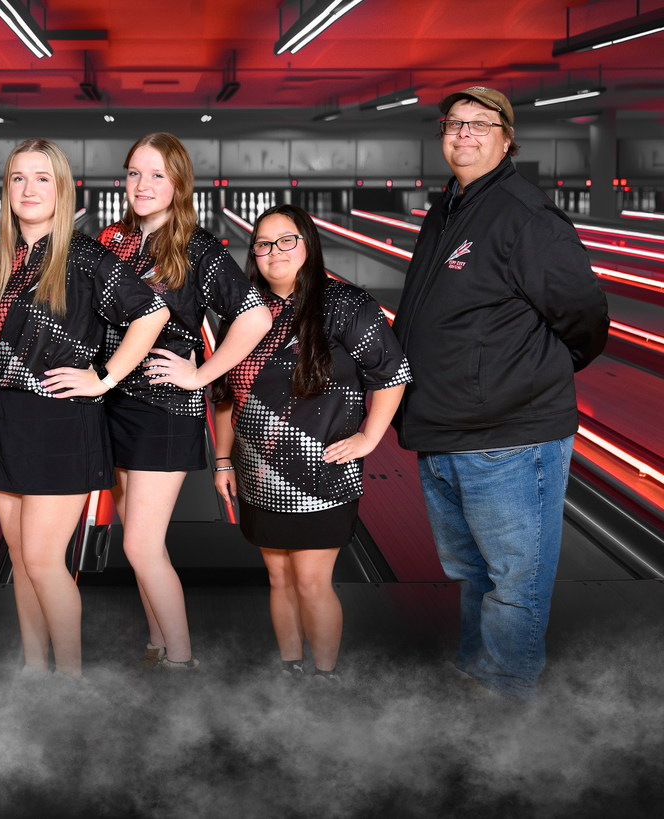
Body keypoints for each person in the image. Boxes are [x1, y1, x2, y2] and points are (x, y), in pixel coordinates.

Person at [392, 86, 610, 703]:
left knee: (515, 582)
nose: (464, 133)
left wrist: (522, 375)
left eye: (481, 124)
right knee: (472, 574)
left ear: (507, 139)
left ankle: (508, 701)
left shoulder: (524, 214)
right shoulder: (449, 208)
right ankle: (477, 681)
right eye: (454, 123)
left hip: (508, 438)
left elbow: (586, 318)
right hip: (444, 432)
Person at [0, 139, 169, 680]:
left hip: (61, 423)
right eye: (18, 179)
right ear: (6, 190)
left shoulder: (84, 256)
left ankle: (71, 681)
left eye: (42, 179)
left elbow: (151, 312)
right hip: (1, 421)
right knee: (21, 560)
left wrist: (104, 377)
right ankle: (36, 671)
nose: (28, 189)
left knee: (40, 559)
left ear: (61, 189)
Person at [95, 133, 272, 671]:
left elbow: (255, 317)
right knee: (136, 542)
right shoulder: (112, 239)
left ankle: (182, 661)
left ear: (178, 183)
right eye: (134, 173)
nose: (142, 185)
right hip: (111, 403)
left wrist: (199, 376)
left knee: (140, 546)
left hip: (163, 411)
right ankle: (158, 645)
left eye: (157, 175)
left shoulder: (197, 247)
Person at [213, 204, 410, 684]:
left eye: (287, 240)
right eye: (263, 243)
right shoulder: (244, 313)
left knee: (309, 581)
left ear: (308, 244)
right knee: (279, 578)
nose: (274, 252)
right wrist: (222, 460)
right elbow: (224, 394)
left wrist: (369, 437)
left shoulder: (345, 304)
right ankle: (291, 670)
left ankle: (324, 678)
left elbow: (392, 373)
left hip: (321, 475)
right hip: (259, 472)